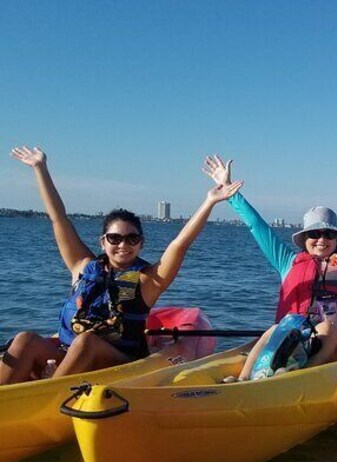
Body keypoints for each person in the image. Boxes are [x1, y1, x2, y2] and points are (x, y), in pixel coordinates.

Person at [1, 146, 241, 385]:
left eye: (132, 239)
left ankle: (48, 392)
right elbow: (58, 218)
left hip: (119, 364)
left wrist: (210, 201)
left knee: (87, 341)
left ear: (141, 243)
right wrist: (40, 168)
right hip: (67, 356)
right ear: (103, 241)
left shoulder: (148, 281)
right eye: (114, 238)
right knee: (24, 340)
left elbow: (180, 244)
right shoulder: (82, 266)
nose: (123, 245)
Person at [203, 154, 337, 381]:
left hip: (331, 345)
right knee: (272, 330)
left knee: (327, 329)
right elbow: (257, 226)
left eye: (329, 234)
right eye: (314, 234)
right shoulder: (287, 261)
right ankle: (244, 380)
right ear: (304, 238)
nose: (321, 239)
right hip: (293, 337)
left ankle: (297, 378)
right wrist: (230, 192)